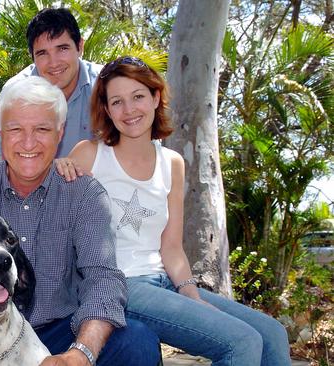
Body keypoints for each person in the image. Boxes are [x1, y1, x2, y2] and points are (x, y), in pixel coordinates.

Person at [0, 76, 161, 366]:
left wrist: (81, 353)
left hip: (62, 330)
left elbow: (102, 278)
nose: (28, 142)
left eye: (42, 129)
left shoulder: (85, 193)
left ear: (60, 132)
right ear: (1, 132)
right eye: (16, 129)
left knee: (138, 342)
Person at [62, 56, 291, 365]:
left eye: (138, 96)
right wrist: (56, 167)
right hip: (118, 285)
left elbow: (171, 248)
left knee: (272, 333)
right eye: (117, 101)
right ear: (106, 109)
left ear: (156, 97)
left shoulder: (172, 163)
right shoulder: (89, 154)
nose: (129, 110)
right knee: (241, 342)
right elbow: (56, 223)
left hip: (164, 281)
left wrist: (192, 296)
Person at [0, 7, 103, 158]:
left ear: (80, 47)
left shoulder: (106, 85)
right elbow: (8, 163)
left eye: (62, 49)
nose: (53, 63)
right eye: (42, 53)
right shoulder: (13, 94)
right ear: (32, 57)